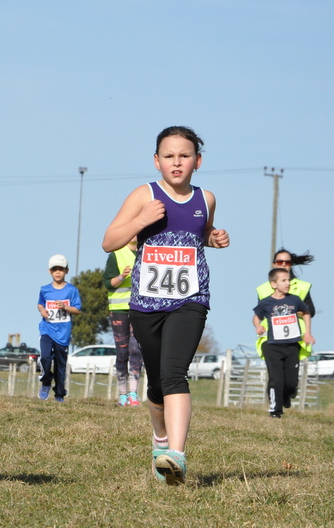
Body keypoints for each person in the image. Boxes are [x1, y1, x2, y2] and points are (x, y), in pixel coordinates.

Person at [102, 126, 229, 485]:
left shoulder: (206, 199)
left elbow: (200, 233)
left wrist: (215, 237)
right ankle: (160, 438)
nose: (177, 162)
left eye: (184, 156)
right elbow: (109, 241)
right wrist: (141, 220)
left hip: (190, 300)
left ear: (197, 161)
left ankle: (176, 455)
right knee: (157, 383)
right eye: (169, 156)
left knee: (175, 373)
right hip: (146, 304)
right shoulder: (144, 194)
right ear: (156, 161)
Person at [253, 268, 315, 418]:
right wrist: (258, 326)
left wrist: (307, 333)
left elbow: (307, 313)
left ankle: (287, 393)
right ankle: (275, 411)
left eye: (289, 280)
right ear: (274, 284)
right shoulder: (266, 302)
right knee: (276, 380)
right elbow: (256, 317)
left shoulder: (294, 300)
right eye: (284, 280)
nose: (288, 283)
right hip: (273, 346)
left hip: (292, 346)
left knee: (291, 382)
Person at [103, 237, 144, 406]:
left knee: (136, 350)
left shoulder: (146, 253)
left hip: (140, 309)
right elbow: (108, 284)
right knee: (122, 353)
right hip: (119, 309)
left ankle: (133, 394)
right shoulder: (116, 255)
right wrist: (121, 277)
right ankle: (122, 395)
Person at [255, 248, 316, 361]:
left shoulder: (302, 287)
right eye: (280, 262)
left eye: (287, 262)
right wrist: (258, 326)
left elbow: (310, 312)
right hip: (270, 339)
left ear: (291, 265)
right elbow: (259, 315)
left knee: (290, 373)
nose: (283, 264)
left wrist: (291, 312)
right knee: (275, 373)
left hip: (294, 338)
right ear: (274, 264)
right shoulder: (262, 289)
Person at [36, 254, 82, 403]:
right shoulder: (45, 289)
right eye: (54, 269)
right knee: (45, 357)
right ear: (49, 271)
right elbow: (40, 303)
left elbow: (77, 310)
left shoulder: (71, 290)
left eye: (61, 269)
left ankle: (59, 394)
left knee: (60, 365)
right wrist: (42, 310)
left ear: (66, 271)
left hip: (63, 333)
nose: (58, 272)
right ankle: (46, 381)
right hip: (47, 329)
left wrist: (65, 307)